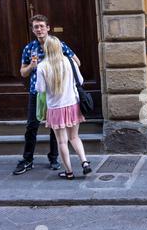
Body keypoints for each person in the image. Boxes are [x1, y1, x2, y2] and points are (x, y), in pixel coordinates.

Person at [13, 14, 81, 175]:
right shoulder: (29, 48)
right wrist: (32, 65)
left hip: (57, 94)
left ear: (48, 28)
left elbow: (77, 62)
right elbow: (23, 73)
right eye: (36, 27)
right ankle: (27, 160)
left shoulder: (60, 45)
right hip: (36, 93)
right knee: (32, 126)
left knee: (55, 127)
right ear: (33, 30)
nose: (39, 29)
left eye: (42, 26)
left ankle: (54, 158)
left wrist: (61, 70)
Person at [35, 36, 92, 179]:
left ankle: (69, 172)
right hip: (72, 104)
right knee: (74, 137)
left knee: (62, 141)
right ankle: (85, 162)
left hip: (55, 108)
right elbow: (81, 80)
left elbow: (40, 89)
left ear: (45, 48)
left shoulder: (42, 66)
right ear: (59, 47)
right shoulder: (68, 61)